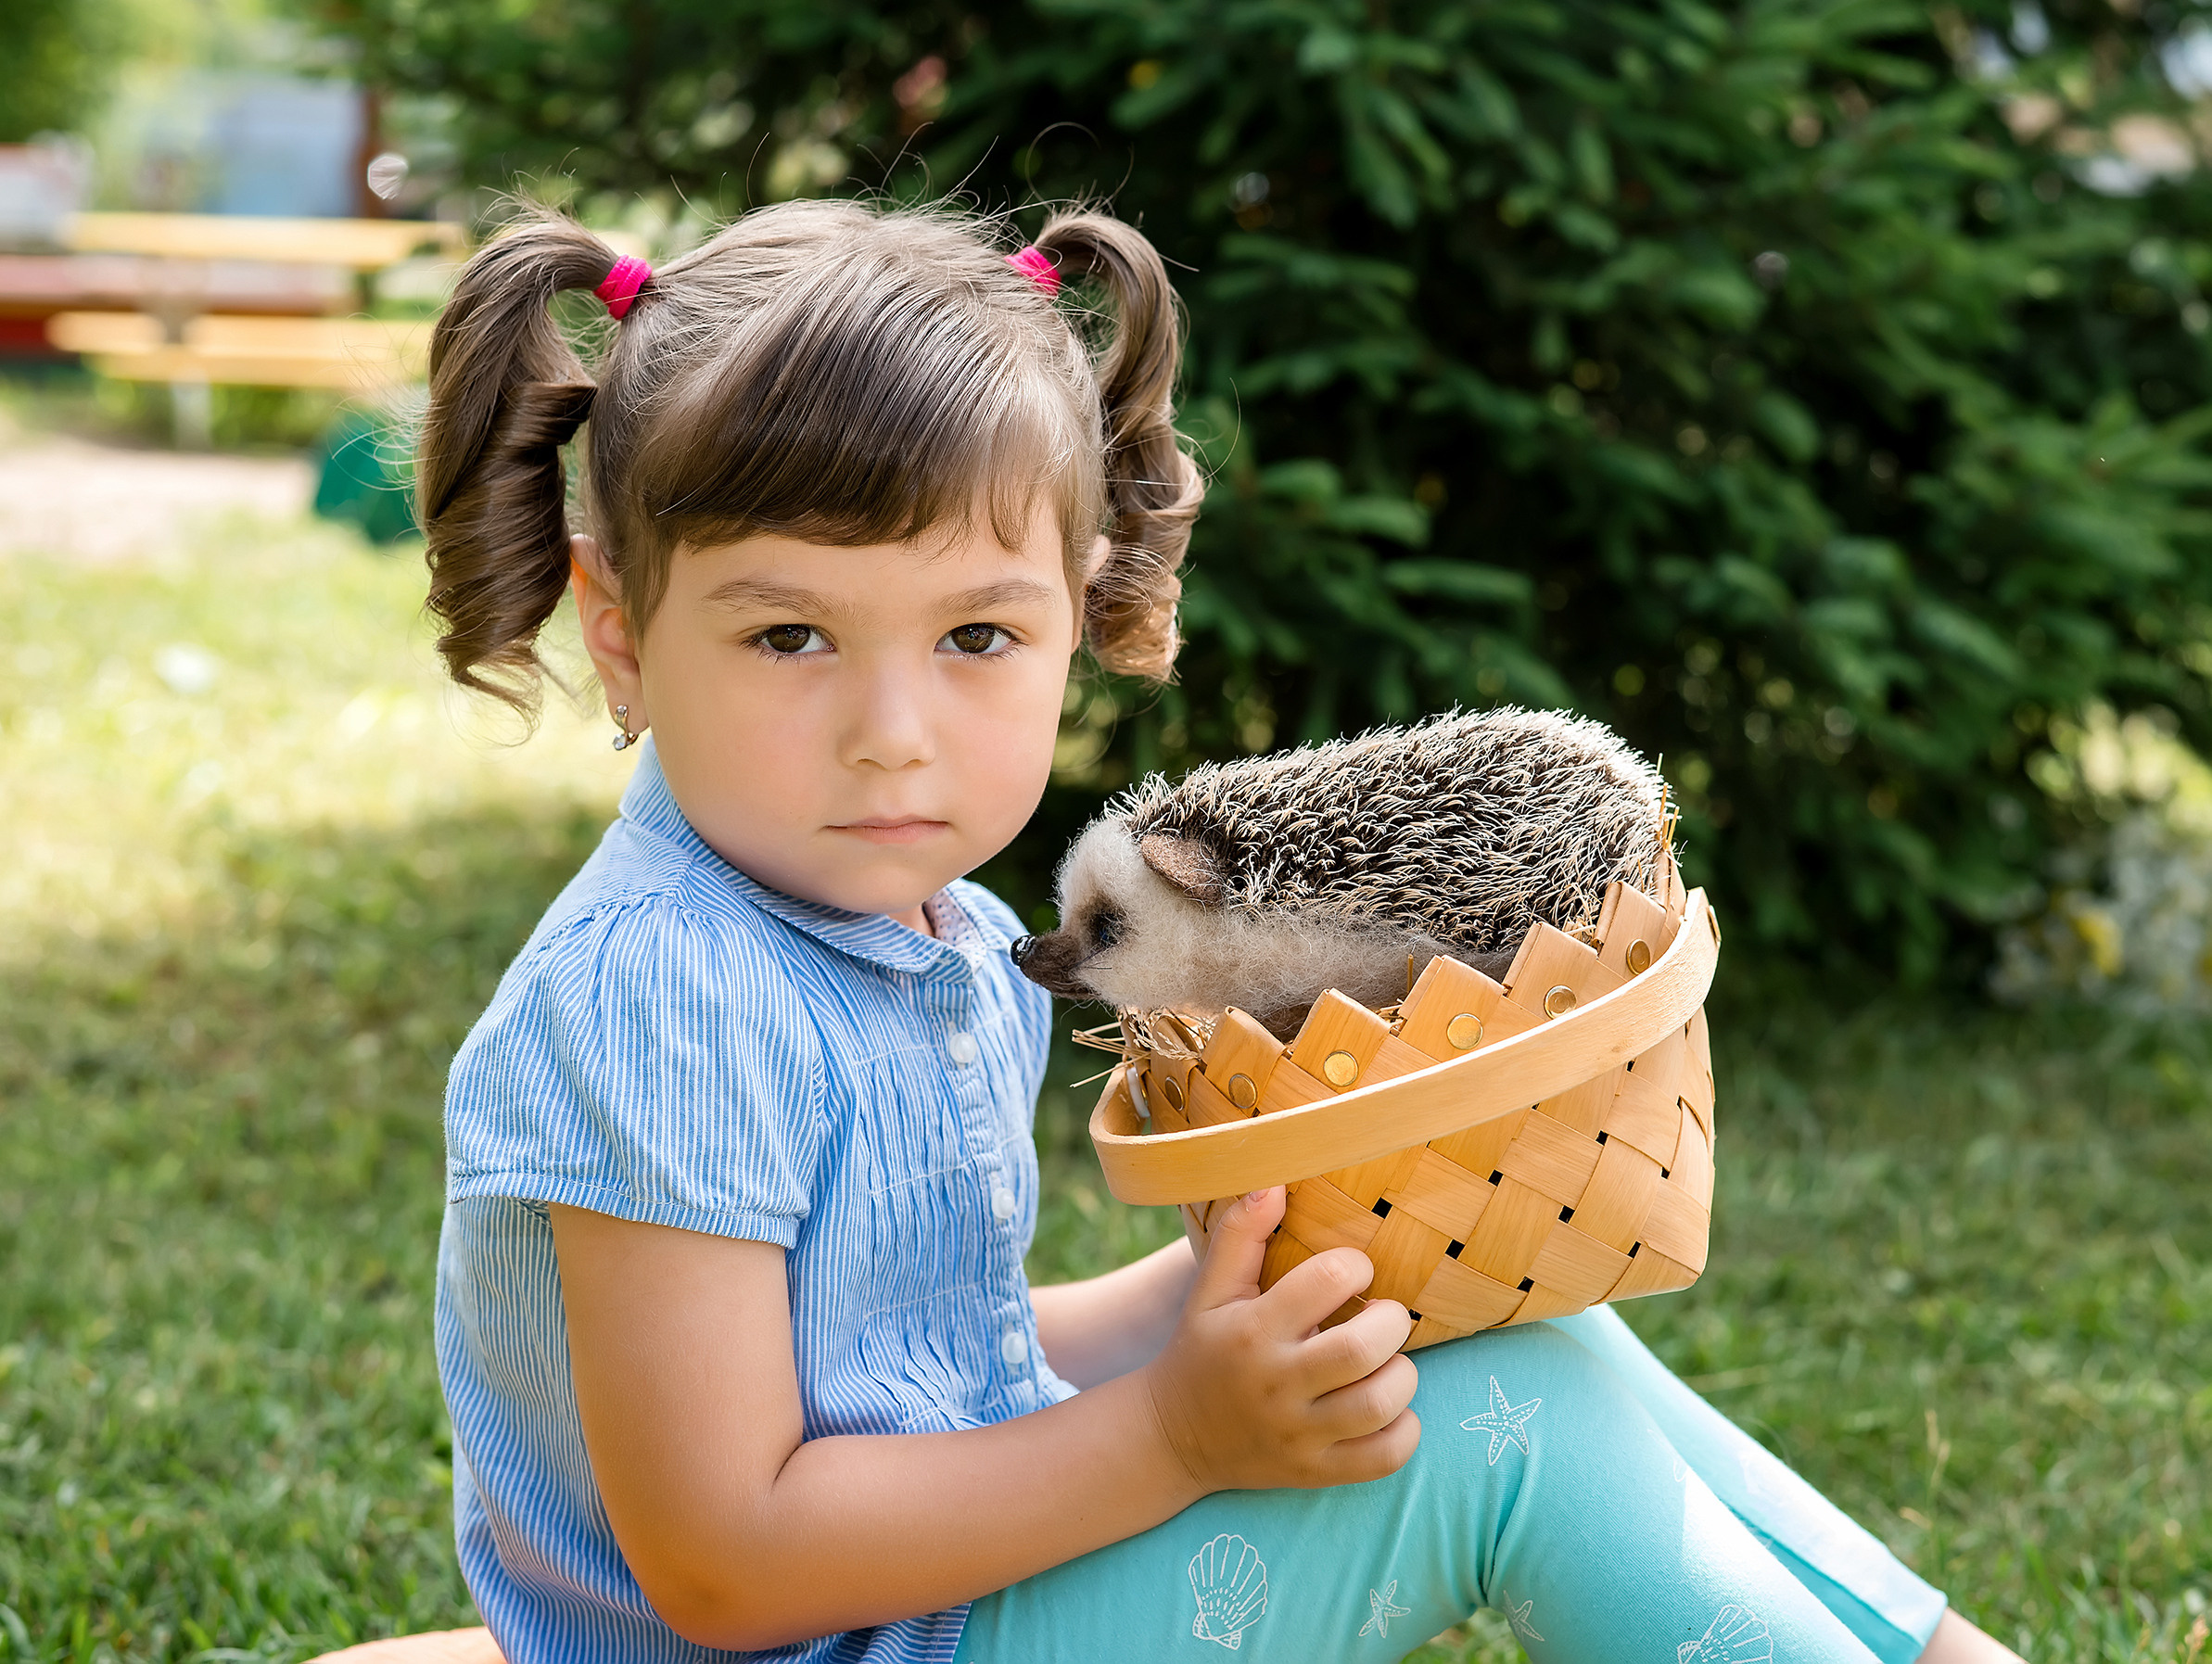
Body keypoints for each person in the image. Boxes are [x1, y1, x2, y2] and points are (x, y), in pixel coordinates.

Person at [418, 198, 2021, 1664]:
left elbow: (899, 1362)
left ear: (1079, 605)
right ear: (620, 638)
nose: (891, 732)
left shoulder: (937, 937)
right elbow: (725, 1559)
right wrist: (1173, 1438)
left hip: (928, 1614)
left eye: (976, 632)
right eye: (789, 635)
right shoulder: (664, 995)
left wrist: (1215, 1298)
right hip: (850, 1646)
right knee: (1502, 1430)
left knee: (1498, 1320)